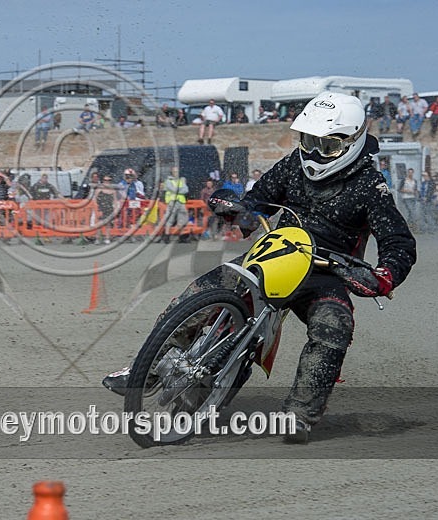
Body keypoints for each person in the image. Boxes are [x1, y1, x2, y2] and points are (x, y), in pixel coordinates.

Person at [103, 91, 417, 444]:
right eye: (308, 141)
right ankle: (146, 368)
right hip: (273, 254)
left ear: (353, 142)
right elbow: (256, 201)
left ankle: (299, 414)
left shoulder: (369, 186)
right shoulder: (292, 165)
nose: (313, 153)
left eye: (325, 146)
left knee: (335, 325)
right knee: (203, 289)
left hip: (326, 272)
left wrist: (383, 275)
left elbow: (399, 242)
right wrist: (235, 206)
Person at [160, 167, 189, 243]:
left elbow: (186, 190)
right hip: (172, 202)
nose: (176, 173)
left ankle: (182, 237)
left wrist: (178, 190)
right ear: (172, 172)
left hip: (181, 202)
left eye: (177, 171)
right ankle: (167, 236)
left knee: (182, 219)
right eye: (174, 172)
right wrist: (180, 189)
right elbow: (173, 189)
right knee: (170, 219)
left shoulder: (181, 180)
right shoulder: (168, 181)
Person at [94, 174, 118, 244]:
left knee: (108, 224)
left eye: (109, 180)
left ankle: (107, 238)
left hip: (109, 208)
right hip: (100, 208)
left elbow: (115, 201)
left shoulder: (113, 190)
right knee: (99, 224)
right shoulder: (99, 189)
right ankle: (97, 239)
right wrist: (97, 209)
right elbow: (95, 200)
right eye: (105, 180)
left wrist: (116, 209)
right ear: (103, 181)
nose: (107, 182)